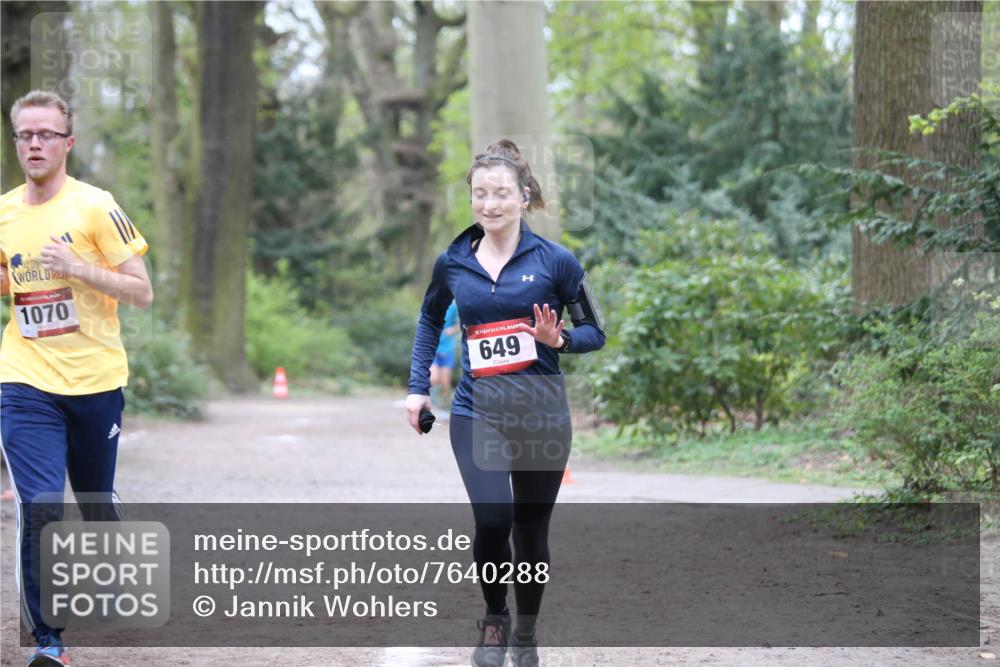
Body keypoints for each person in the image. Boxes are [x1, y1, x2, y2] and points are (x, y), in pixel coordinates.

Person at [406, 140, 605, 667]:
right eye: (479, 194)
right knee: (494, 519)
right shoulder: (453, 262)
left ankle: (527, 634)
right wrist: (416, 387)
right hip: (478, 412)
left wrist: (559, 341)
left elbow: (595, 332)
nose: (489, 204)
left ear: (523, 196)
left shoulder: (557, 262)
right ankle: (494, 621)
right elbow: (430, 320)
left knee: (531, 533)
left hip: (541, 416)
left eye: (500, 194)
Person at [0, 90, 153, 667]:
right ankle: (49, 642)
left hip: (95, 381)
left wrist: (77, 270)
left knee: (93, 503)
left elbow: (141, 290)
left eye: (46, 135)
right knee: (40, 506)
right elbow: (7, 284)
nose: (34, 144)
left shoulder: (96, 207)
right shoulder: (5, 211)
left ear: (68, 142)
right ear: (16, 142)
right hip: (23, 379)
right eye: (24, 135)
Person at [429, 300, 460, 416]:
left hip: (448, 348)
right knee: (434, 378)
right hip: (434, 347)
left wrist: (453, 329)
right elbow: (421, 321)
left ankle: (442, 407)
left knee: (445, 382)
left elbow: (461, 322)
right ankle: (429, 401)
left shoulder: (454, 306)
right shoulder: (432, 302)